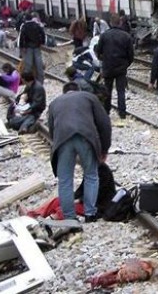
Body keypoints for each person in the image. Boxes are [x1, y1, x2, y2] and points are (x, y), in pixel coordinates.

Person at [48, 82, 112, 222]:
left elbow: (51, 130)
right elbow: (104, 123)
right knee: (91, 175)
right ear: (78, 90)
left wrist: (57, 146)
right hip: (86, 138)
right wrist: (104, 149)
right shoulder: (89, 97)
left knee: (65, 180)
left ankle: (69, 217)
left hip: (62, 141)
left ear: (64, 92)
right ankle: (90, 214)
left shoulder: (54, 103)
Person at [95, 14, 134, 120]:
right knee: (121, 91)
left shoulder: (104, 36)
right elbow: (131, 54)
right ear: (120, 22)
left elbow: (98, 51)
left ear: (110, 23)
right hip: (121, 68)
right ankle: (122, 113)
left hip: (108, 67)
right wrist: (126, 64)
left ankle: (106, 111)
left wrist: (103, 60)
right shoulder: (126, 36)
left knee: (107, 90)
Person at [18, 12, 46, 84]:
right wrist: (42, 42)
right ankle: (40, 81)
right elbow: (42, 34)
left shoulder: (24, 26)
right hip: (37, 47)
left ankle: (29, 81)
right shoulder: (37, 25)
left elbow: (21, 37)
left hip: (28, 48)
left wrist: (22, 47)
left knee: (28, 65)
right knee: (39, 65)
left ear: (25, 19)